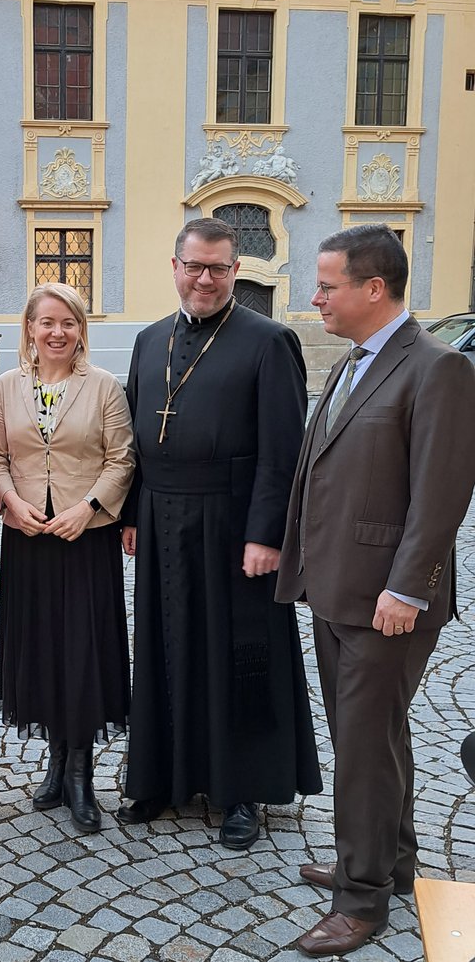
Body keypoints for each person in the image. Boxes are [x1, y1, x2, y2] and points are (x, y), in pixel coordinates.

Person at [276, 224, 475, 957]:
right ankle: (389, 860)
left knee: (362, 748)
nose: (316, 297)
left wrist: (408, 589)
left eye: (327, 285)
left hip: (387, 603)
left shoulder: (438, 367)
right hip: (339, 590)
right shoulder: (357, 360)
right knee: (375, 738)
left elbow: (442, 492)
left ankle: (360, 900)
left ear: (373, 288)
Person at [119, 216, 321, 848]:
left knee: (238, 654)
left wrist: (266, 534)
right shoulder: (150, 340)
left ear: (236, 272)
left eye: (218, 269)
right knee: (164, 646)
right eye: (193, 266)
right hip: (159, 518)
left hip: (233, 525)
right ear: (175, 266)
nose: (203, 279)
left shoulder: (268, 341)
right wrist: (130, 514)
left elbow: (281, 450)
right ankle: (160, 776)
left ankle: (242, 790)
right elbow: (132, 440)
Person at [0, 282, 135, 833]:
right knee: (41, 647)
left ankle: (80, 772)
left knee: (82, 650)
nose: (57, 332)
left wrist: (89, 508)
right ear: (29, 329)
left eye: (67, 323)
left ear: (80, 330)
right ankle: (53, 758)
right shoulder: (6, 387)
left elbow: (122, 459)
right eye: (46, 322)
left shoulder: (104, 388)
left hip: (84, 540)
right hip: (28, 536)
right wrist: (11, 502)